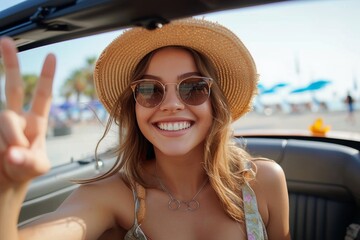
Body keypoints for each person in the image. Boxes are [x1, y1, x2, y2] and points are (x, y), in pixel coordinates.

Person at [0, 18, 290, 239]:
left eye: (193, 87)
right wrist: (6, 194)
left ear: (215, 102)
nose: (172, 104)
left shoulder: (263, 181)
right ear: (134, 105)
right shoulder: (113, 195)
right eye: (150, 89)